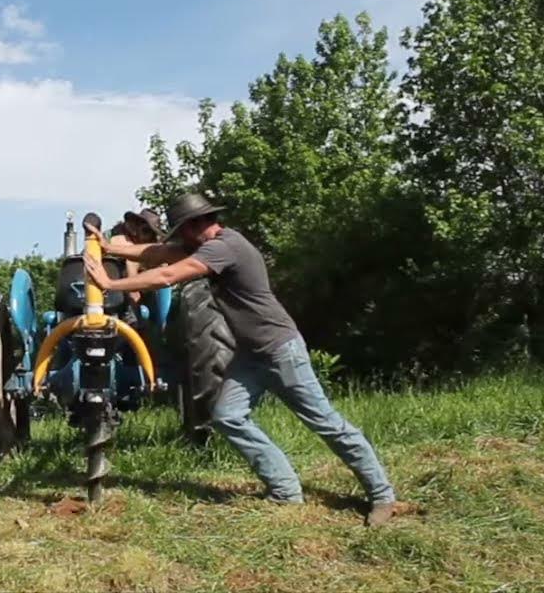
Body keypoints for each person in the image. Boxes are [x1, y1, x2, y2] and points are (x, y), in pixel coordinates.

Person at [83, 192, 396, 526]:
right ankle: (286, 491)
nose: (180, 239)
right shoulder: (208, 244)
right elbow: (159, 253)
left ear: (193, 226)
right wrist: (110, 247)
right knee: (228, 416)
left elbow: (167, 275)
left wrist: (110, 283)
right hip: (250, 355)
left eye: (182, 232)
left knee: (326, 422)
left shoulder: (224, 247)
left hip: (280, 351)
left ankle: (382, 495)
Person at [106, 208, 164, 307]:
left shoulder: (149, 245)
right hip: (111, 291)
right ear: (133, 227)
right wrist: (134, 291)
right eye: (146, 231)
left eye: (153, 234)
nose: (150, 238)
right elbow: (131, 259)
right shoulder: (118, 239)